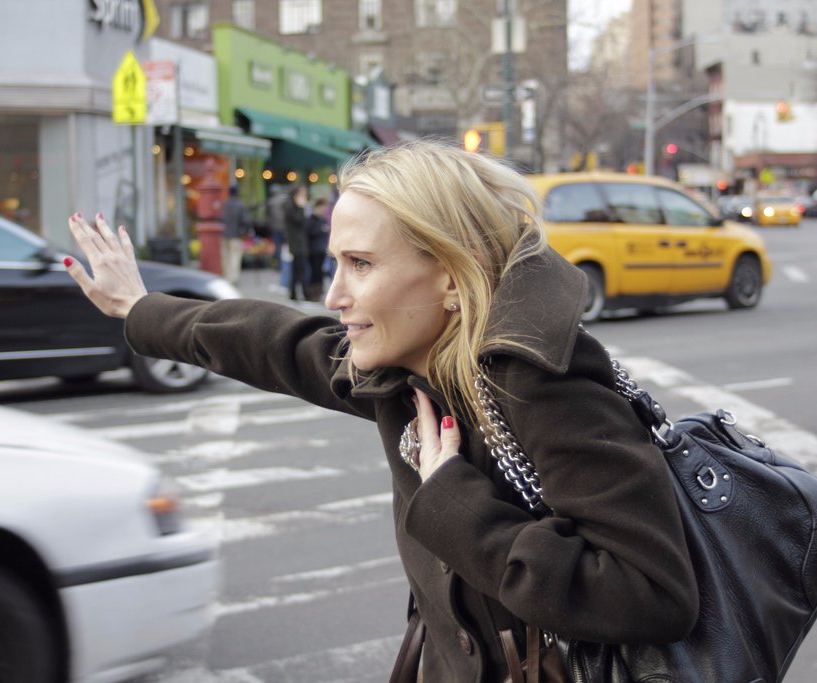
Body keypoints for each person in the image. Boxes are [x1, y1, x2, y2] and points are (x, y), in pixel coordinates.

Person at [64, 140, 697, 682]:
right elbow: (276, 341)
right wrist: (141, 309)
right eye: (336, 262)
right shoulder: (408, 368)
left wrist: (455, 505)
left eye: (360, 264)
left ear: (453, 275)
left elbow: (652, 592)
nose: (334, 294)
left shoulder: (545, 384)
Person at [220, 185, 253, 284]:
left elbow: (219, 219)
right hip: (236, 235)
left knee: (226, 257)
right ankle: (233, 278)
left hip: (224, 234)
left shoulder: (224, 204)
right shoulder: (240, 205)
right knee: (235, 257)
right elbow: (245, 220)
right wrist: (244, 232)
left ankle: (227, 277)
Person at [283, 184, 310, 301]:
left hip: (299, 241)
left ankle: (295, 293)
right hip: (296, 242)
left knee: (298, 268)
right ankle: (301, 293)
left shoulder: (293, 206)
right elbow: (299, 220)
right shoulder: (291, 206)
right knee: (299, 269)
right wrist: (302, 208)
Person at [306, 197, 330, 301]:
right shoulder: (311, 219)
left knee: (320, 272)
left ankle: (319, 292)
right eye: (323, 207)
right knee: (314, 272)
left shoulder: (322, 219)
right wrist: (321, 229)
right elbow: (310, 233)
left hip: (321, 249)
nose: (325, 209)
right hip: (313, 250)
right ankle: (313, 293)